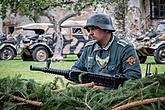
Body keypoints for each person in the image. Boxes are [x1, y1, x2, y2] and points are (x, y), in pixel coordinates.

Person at [71, 13, 141, 89]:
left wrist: (107, 88)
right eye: (89, 30)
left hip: (116, 96)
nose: (90, 33)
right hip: (90, 94)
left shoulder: (125, 48)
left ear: (107, 29)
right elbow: (76, 69)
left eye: (94, 28)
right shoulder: (89, 48)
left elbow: (134, 77)